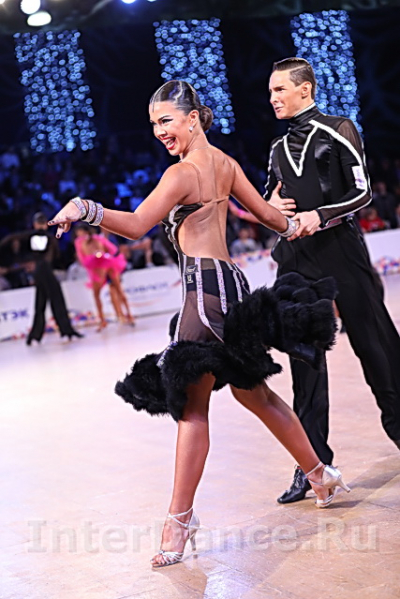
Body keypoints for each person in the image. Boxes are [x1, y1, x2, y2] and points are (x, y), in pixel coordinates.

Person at [49, 80, 349, 568]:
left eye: (166, 120)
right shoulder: (226, 164)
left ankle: (179, 522)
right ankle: (321, 475)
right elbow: (272, 218)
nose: (159, 131)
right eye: (153, 124)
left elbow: (137, 225)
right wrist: (298, 219)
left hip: (204, 291)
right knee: (255, 394)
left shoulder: (181, 173)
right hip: (233, 285)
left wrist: (85, 208)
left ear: (192, 118)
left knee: (192, 408)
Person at [263, 58, 400, 503]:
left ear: (305, 89)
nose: (273, 98)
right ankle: (313, 466)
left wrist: (319, 215)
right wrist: (271, 208)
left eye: (280, 90)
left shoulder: (339, 129)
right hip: (295, 260)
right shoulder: (276, 149)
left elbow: (363, 192)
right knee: (304, 362)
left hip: (341, 249)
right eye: (270, 91)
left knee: (375, 344)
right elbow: (269, 200)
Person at [1, 212, 83, 344]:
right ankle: (66, 329)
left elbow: (13, 240)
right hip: (43, 269)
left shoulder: (32, 236)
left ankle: (35, 335)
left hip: (41, 269)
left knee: (41, 300)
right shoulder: (38, 236)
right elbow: (40, 252)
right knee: (56, 297)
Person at [74, 224, 135, 331]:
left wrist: (99, 255)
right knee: (111, 292)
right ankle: (117, 317)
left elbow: (84, 257)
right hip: (102, 265)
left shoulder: (89, 240)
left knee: (113, 291)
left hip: (101, 266)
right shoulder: (87, 240)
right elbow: (112, 250)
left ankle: (121, 316)